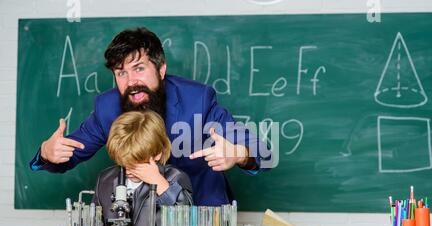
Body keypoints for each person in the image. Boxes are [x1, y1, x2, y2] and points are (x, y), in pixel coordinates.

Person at [31, 27, 271, 206]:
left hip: (200, 219)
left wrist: (239, 154)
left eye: (139, 69)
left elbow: (264, 152)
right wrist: (46, 152)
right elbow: (68, 154)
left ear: (161, 69)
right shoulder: (107, 107)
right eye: (121, 73)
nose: (131, 82)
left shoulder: (197, 100)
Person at [58, 111, 193, 226]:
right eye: (124, 161)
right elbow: (97, 225)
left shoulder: (175, 177)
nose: (128, 169)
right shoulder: (106, 179)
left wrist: (158, 182)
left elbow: (185, 219)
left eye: (136, 162)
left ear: (157, 153)